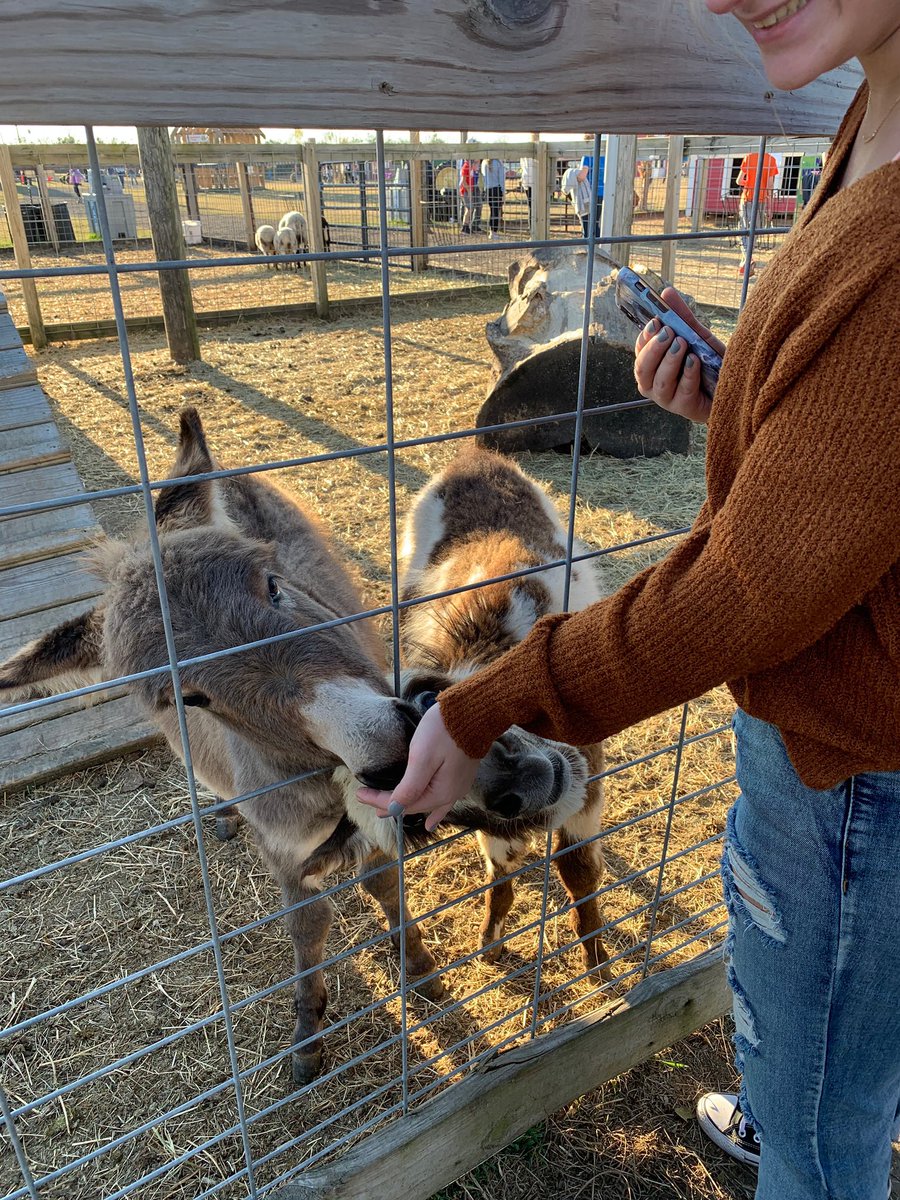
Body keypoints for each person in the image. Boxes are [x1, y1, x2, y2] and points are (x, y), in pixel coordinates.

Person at [359, 3, 900, 1198]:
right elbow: (860, 466)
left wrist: (483, 706)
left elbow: (746, 592)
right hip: (845, 739)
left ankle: (804, 1137)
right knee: (823, 1039)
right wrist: (749, 410)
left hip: (854, 768)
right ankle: (797, 1102)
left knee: (825, 1129)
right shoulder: (874, 103)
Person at [735, 147, 778, 276]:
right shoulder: (771, 160)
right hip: (761, 199)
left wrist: (749, 183)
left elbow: (738, 181)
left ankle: (747, 260)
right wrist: (770, 207)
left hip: (747, 197)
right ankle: (746, 262)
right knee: (754, 230)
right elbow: (770, 186)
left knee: (742, 230)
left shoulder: (749, 157)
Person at [560, 162, 599, 238]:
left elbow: (580, 177)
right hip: (590, 199)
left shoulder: (575, 173)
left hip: (586, 202)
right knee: (593, 226)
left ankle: (589, 245)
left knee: (587, 226)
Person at [480, 157, 506, 238]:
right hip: (496, 189)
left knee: (492, 210)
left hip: (488, 189)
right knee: (496, 211)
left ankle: (492, 231)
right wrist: (503, 191)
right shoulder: (498, 163)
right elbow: (501, 179)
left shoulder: (484, 162)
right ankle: (494, 232)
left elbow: (483, 178)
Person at [520, 154, 536, 223]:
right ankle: (533, 226)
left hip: (527, 181)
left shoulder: (524, 154)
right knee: (535, 207)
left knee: (531, 206)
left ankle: (532, 226)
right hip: (535, 181)